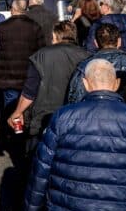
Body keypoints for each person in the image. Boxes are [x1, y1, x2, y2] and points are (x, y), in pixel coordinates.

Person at [24, 59, 126, 211]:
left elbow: (42, 167)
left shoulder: (64, 116)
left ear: (85, 84)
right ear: (116, 84)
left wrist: (33, 209)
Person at [7, 21, 89, 155]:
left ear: (55, 36)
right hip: (76, 118)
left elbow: (30, 90)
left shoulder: (41, 55)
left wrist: (18, 112)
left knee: (38, 156)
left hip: (44, 117)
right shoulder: (87, 56)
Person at [0, 0, 45, 154]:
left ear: (12, 9)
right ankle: (21, 138)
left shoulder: (1, 27)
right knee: (26, 108)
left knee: (11, 107)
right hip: (29, 75)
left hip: (8, 75)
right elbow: (41, 51)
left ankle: (15, 138)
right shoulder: (35, 27)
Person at [67, 23, 126, 104]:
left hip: (91, 110)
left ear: (96, 43)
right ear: (119, 41)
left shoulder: (84, 67)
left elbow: (74, 100)